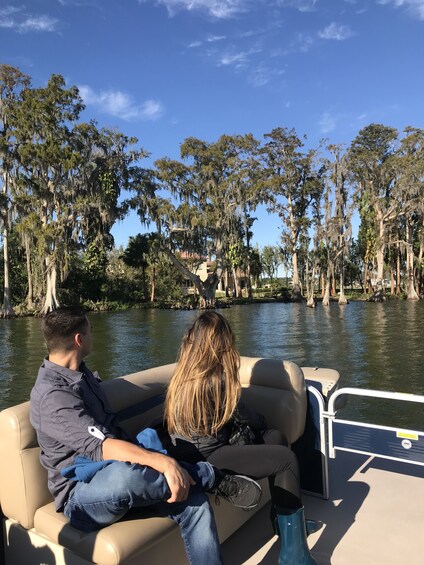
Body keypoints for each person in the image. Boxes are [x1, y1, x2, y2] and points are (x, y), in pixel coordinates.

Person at [30, 307, 262, 565]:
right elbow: (103, 447)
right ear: (79, 340)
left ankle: (194, 478)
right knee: (125, 476)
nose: (93, 335)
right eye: (90, 330)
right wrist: (163, 462)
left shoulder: (80, 374)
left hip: (116, 470)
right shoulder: (53, 397)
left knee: (193, 502)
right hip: (81, 496)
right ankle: (207, 475)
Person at [165, 311, 319, 565]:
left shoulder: (185, 375)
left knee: (277, 437)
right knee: (286, 459)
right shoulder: (217, 379)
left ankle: (286, 526)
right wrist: (262, 423)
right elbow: (245, 417)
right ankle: (295, 557)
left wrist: (266, 430)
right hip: (209, 458)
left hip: (193, 453)